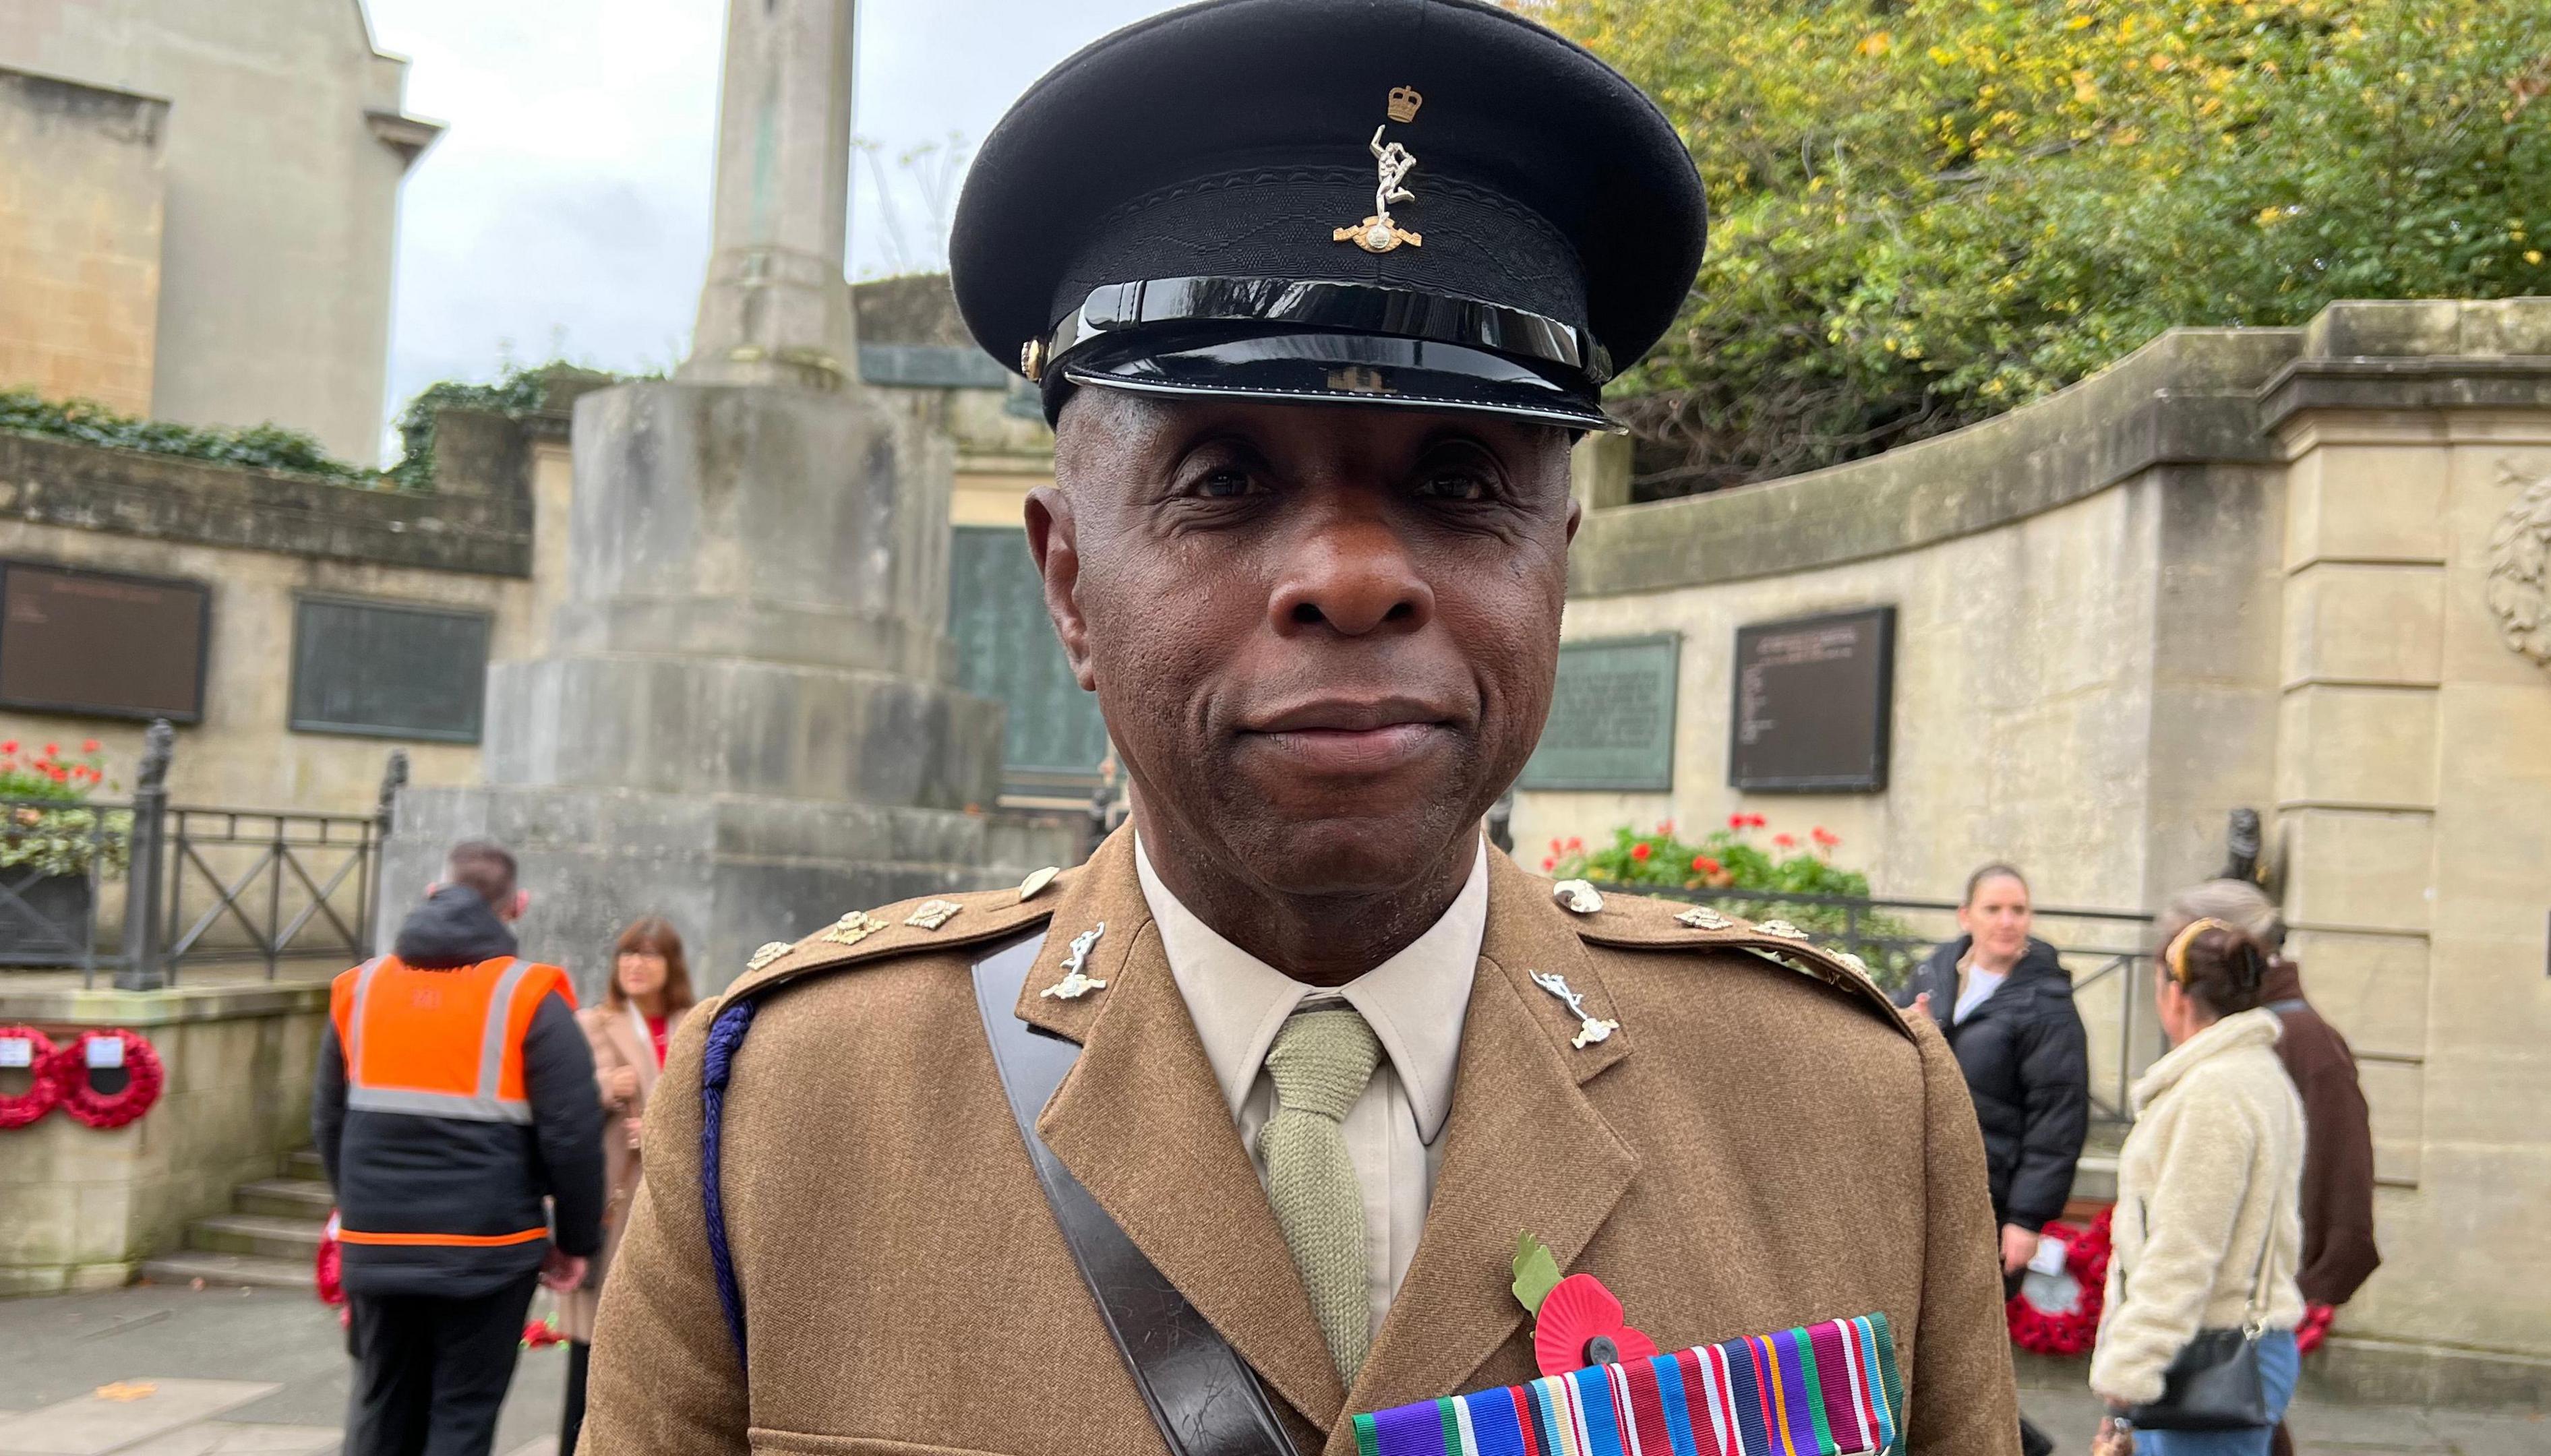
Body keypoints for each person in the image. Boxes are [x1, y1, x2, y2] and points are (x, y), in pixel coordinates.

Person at [579, 3, 2020, 1453]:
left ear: (1558, 563)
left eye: (1459, 481)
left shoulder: (1846, 1114)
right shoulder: (786, 1121)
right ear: (1071, 582)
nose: (1352, 576)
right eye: (1222, 480)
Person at [314, 841, 605, 1456]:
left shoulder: (358, 990)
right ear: (516, 906)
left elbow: (328, 1121)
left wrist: (361, 1208)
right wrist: (576, 1243)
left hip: (378, 1241)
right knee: (462, 1415)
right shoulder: (530, 998)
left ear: (432, 891)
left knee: (380, 1401)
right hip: (488, 1248)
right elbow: (572, 1135)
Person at [2157, 883, 2378, 1456]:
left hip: (2244, 1313)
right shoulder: (2239, 1038)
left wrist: (2304, 1284)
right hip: (2213, 1315)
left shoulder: (2299, 1040)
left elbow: (2339, 1173)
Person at [2091, 920, 2305, 1456]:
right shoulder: (2253, 1072)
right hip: (2222, 1350)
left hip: (2207, 1358)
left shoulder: (2215, 1090)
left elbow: (2186, 1246)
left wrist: (2132, 1364)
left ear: (2176, 993)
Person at [1896, 863, 2089, 1456]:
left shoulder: (2047, 1003)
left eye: (2019, 910)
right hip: (1924, 1192)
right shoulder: (1933, 975)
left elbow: (2059, 1119)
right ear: (1966, 916)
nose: (2007, 922)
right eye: (1994, 909)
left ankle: (2018, 1446)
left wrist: (2028, 1219)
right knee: (1928, 1344)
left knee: (1970, 1349)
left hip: (1994, 1198)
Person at [558, 917, 698, 1456]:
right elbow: (561, 1103)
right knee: (592, 1347)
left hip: (668, 1199)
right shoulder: (593, 1023)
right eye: (627, 956)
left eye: (649, 956)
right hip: (612, 1199)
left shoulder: (695, 1023)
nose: (636, 966)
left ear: (671, 966)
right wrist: (602, 1088)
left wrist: (664, 1124)